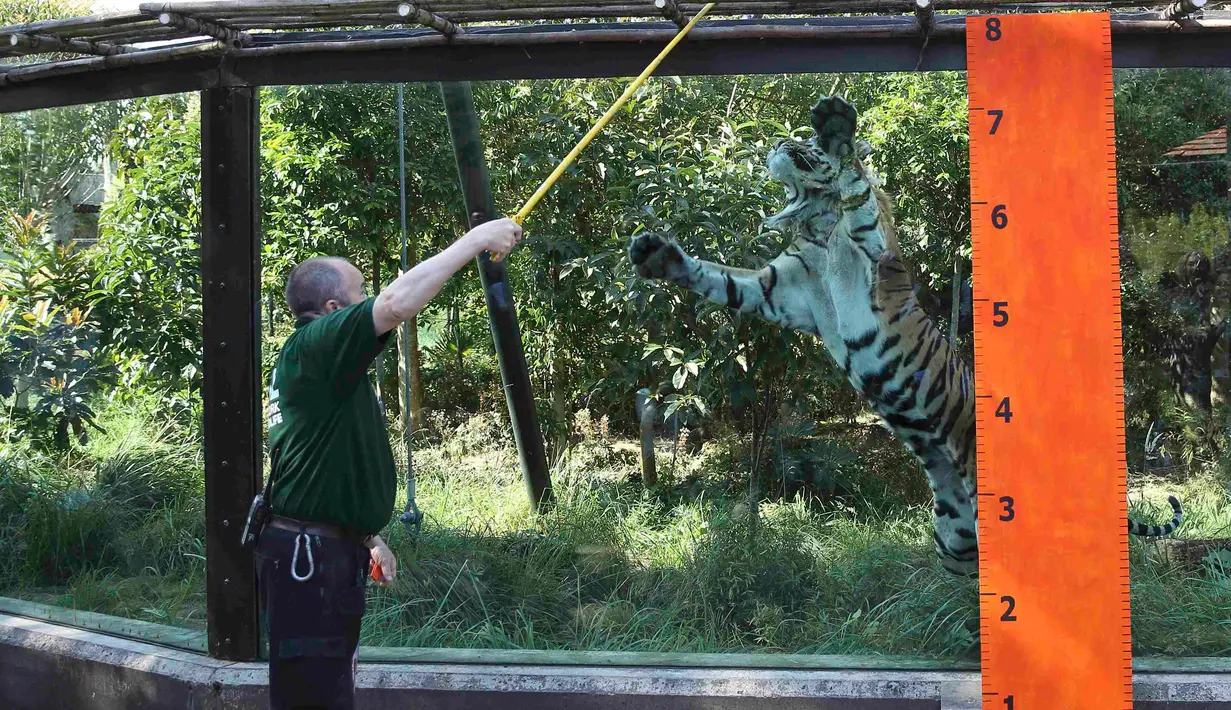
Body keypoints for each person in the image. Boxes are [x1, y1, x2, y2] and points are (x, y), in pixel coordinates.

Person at [256, 218, 523, 710]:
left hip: (320, 554)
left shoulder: (323, 365)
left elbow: (317, 467)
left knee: (328, 690)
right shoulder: (318, 345)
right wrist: (478, 239)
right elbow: (398, 304)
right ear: (333, 310)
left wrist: (364, 536)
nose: (371, 299)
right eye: (361, 293)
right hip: (308, 565)